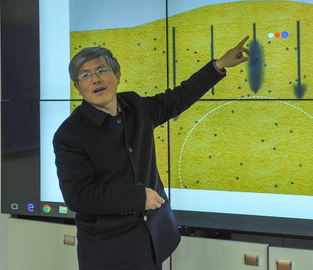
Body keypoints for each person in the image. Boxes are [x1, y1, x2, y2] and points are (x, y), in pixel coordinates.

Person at [53, 37, 249, 270]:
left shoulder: (135, 106)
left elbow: (179, 97)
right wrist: (138, 198)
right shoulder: (70, 134)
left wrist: (219, 65)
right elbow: (79, 196)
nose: (95, 79)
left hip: (151, 239)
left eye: (101, 70)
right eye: (85, 75)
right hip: (108, 250)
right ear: (77, 87)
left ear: (118, 75)